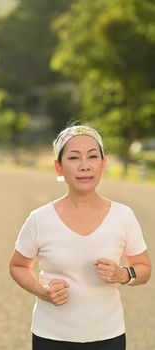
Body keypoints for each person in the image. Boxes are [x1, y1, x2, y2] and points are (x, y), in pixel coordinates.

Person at [9, 124, 151, 350]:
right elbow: (17, 265)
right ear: (58, 167)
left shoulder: (123, 216)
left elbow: (144, 268)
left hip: (108, 336)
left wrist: (123, 274)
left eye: (93, 156)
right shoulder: (39, 219)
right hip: (51, 336)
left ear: (103, 164)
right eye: (74, 158)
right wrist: (42, 291)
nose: (85, 166)